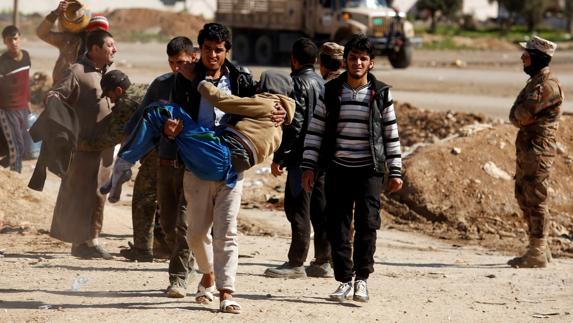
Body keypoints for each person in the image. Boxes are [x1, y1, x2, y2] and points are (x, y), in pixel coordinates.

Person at [163, 22, 285, 314]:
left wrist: (280, 111)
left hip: (232, 164)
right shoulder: (185, 79)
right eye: (207, 49)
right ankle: (207, 274)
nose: (213, 55)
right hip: (196, 163)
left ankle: (226, 291)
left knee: (227, 231)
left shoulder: (241, 79)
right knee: (195, 233)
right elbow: (172, 113)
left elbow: (262, 106)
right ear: (199, 50)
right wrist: (170, 131)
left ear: (226, 51)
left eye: (218, 50)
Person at [301, 34, 403, 303]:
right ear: (345, 60)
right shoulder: (332, 91)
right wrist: (309, 166)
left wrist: (395, 170)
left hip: (369, 171)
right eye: (353, 57)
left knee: (368, 224)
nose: (357, 62)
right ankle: (345, 280)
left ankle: (362, 280)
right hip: (338, 169)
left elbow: (391, 134)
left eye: (363, 58)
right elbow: (316, 130)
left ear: (371, 63)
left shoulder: (380, 93)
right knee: (338, 226)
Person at [120, 37, 199, 298]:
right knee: (167, 223)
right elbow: (142, 117)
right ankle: (189, 259)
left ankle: (179, 278)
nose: (179, 68)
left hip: (192, 164)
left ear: (193, 58)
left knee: (184, 223)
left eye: (184, 62)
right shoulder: (161, 85)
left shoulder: (202, 87)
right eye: (174, 63)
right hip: (165, 161)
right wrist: (128, 147)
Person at [47, 29, 117, 259]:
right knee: (79, 195)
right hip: (83, 148)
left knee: (98, 195)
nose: (114, 49)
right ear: (94, 49)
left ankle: (91, 240)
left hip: (104, 149)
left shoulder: (108, 74)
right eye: (109, 46)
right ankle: (81, 243)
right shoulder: (77, 71)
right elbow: (54, 97)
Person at [266, 38, 332, 279]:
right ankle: (323, 261)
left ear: (293, 60)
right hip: (322, 158)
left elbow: (296, 125)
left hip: (301, 159)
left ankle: (296, 263)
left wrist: (280, 156)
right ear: (315, 61)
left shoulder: (296, 84)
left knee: (298, 210)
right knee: (319, 210)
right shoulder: (323, 83)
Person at [507, 36, 563, 268]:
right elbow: (517, 115)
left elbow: (519, 116)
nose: (523, 57)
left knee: (536, 199)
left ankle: (538, 250)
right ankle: (538, 248)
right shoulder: (536, 83)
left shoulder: (546, 86)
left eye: (527, 54)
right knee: (524, 195)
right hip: (530, 149)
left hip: (538, 150)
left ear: (538, 58)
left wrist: (517, 114)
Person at [37, 1, 110, 83]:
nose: (98, 35)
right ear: (88, 30)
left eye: (102, 33)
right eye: (96, 31)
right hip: (63, 86)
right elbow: (42, 33)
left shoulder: (106, 49)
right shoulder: (68, 40)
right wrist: (55, 13)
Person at [0, 25, 32, 173]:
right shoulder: (2, 62)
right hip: (7, 110)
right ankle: (15, 179)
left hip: (23, 108)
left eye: (15, 38)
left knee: (23, 147)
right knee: (16, 146)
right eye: (9, 40)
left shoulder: (26, 56)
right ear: (5, 43)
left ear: (20, 39)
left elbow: (26, 81)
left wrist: (29, 102)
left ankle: (5, 173)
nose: (13, 42)